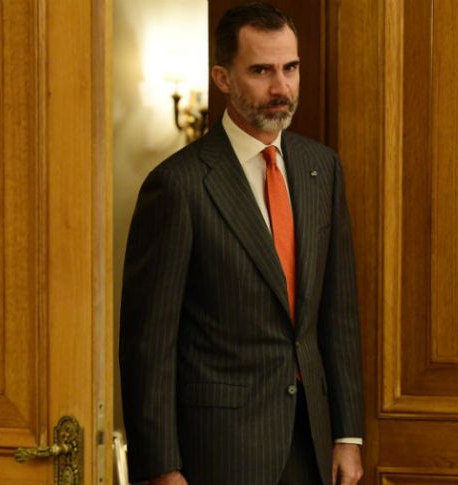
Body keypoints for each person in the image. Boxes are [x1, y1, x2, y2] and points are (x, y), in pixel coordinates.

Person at [119, 3, 364, 484]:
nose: (281, 88)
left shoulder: (322, 167)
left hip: (313, 443)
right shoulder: (178, 185)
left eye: (290, 68)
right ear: (223, 78)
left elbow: (339, 312)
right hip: (221, 448)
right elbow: (148, 343)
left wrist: (348, 434)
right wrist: (162, 467)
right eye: (261, 71)